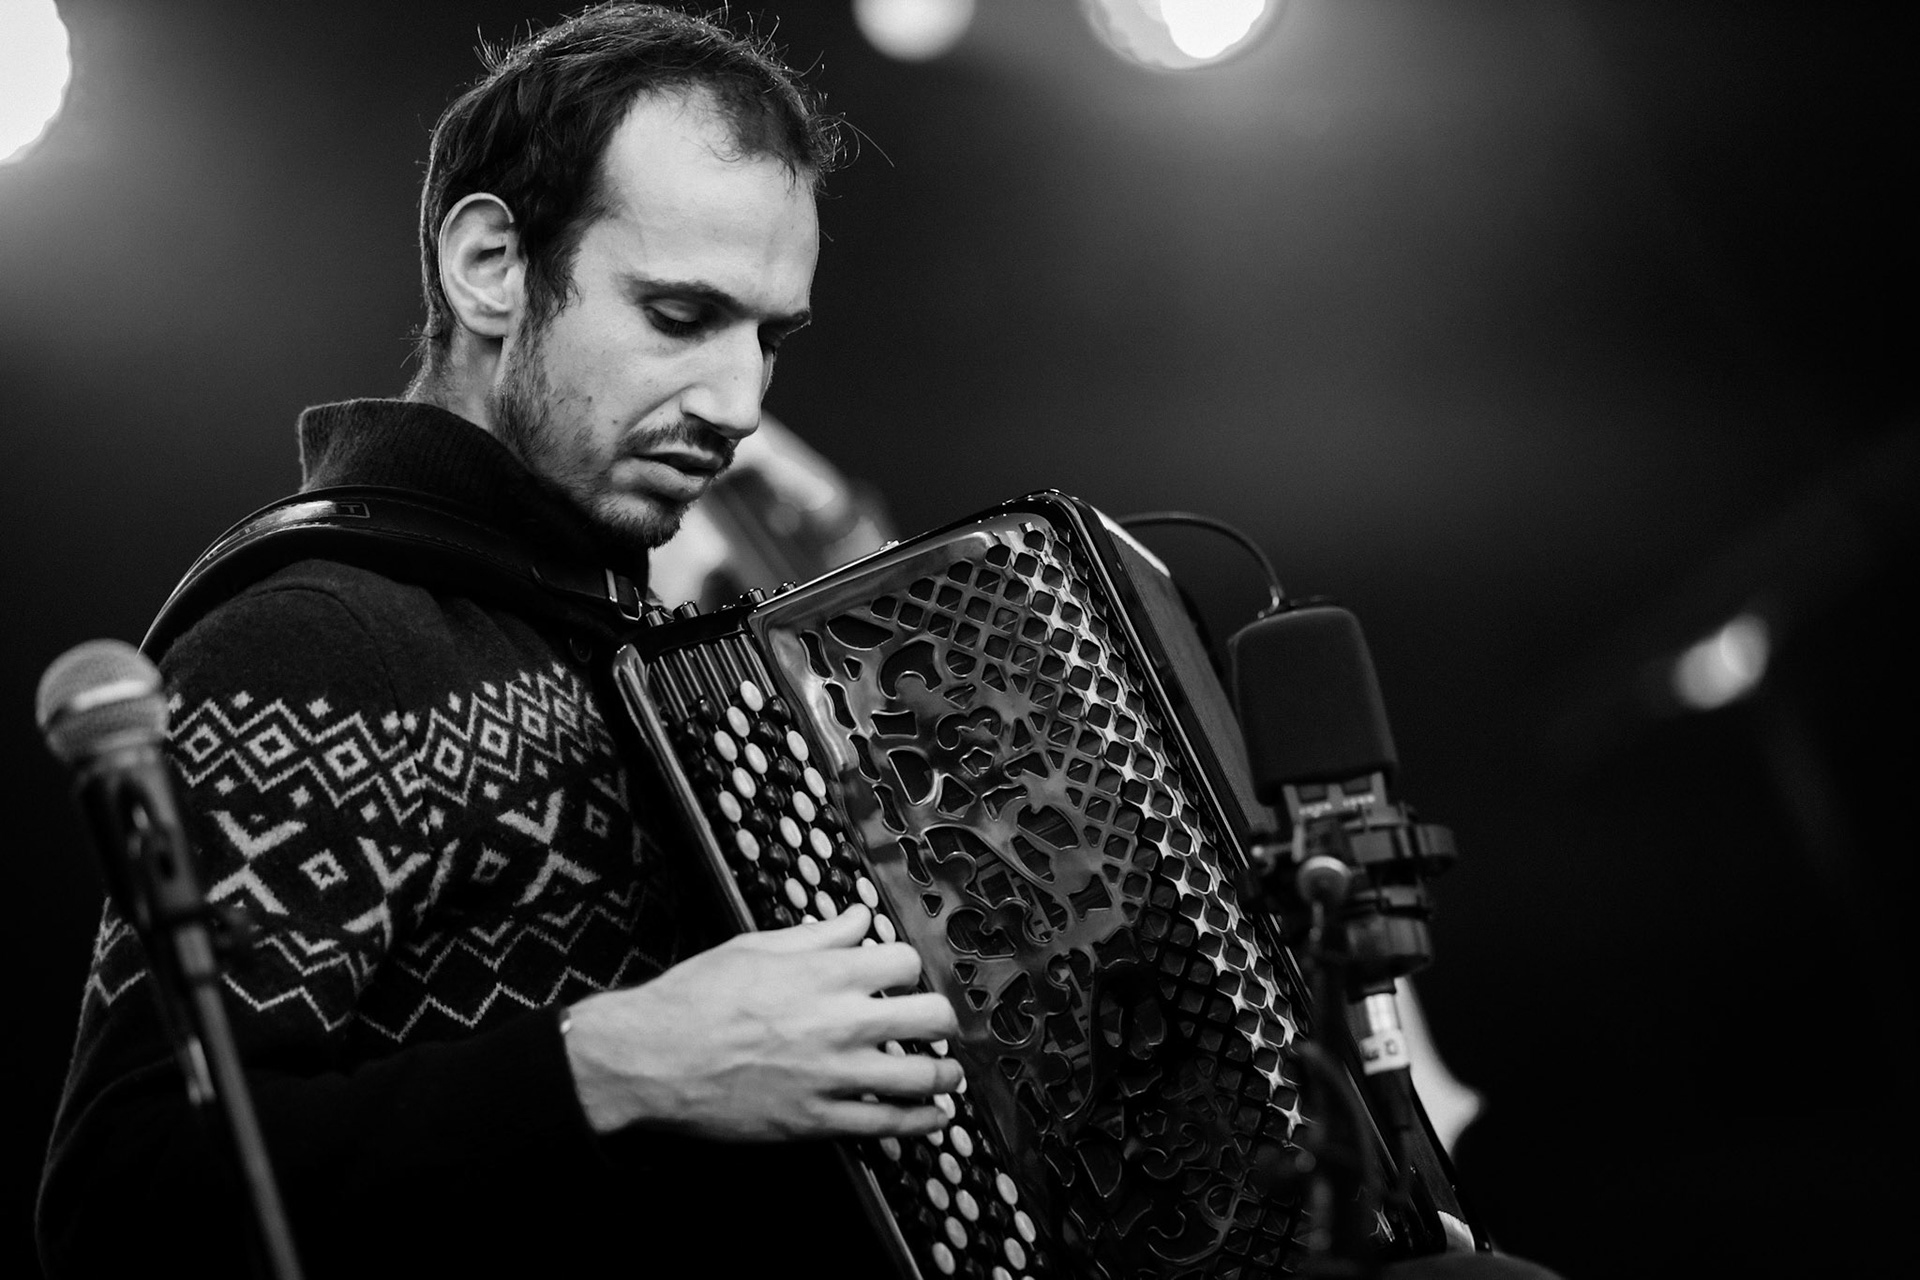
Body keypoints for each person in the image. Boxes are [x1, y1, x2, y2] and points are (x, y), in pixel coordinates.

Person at [37, 6, 960, 1275]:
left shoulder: (649, 631)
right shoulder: (318, 641)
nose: (742, 403)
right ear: (489, 265)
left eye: (769, 336)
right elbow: (123, 1205)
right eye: (682, 316)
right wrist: (610, 1065)